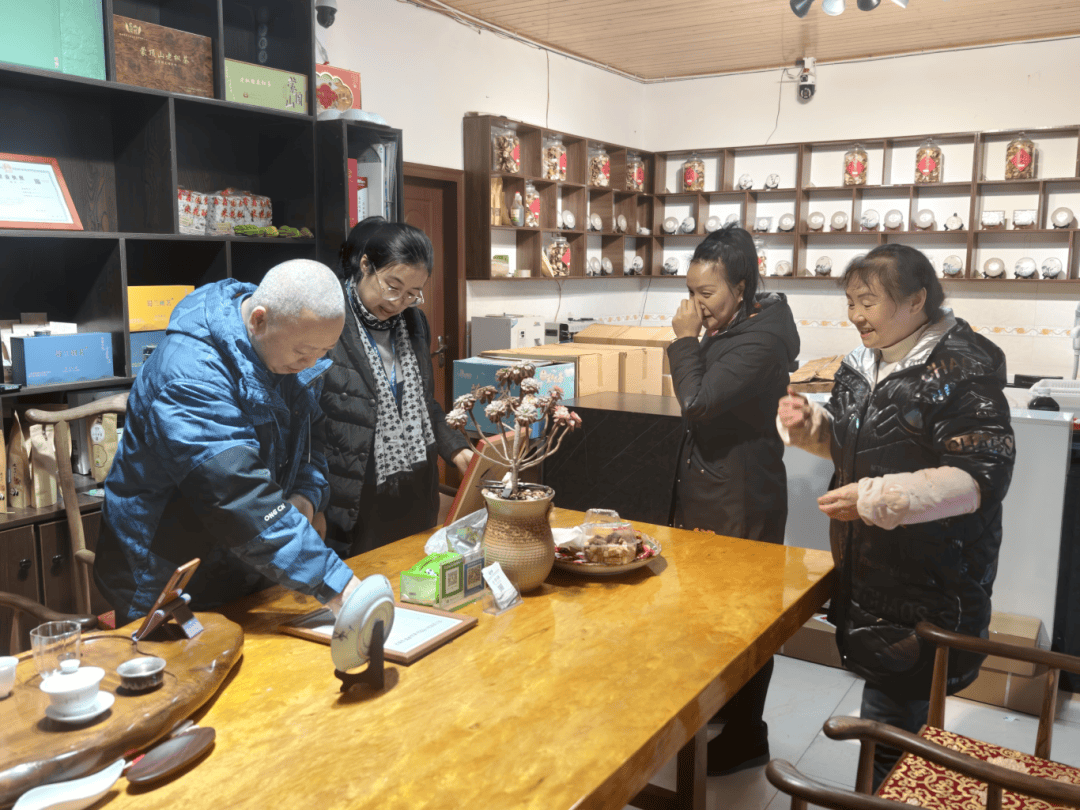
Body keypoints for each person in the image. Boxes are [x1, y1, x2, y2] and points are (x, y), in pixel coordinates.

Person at [777, 244, 1015, 789]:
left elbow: (980, 477)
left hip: (931, 584)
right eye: (850, 302)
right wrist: (811, 426)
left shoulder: (962, 367)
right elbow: (856, 444)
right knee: (893, 725)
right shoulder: (864, 362)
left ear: (916, 300)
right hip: (874, 574)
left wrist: (876, 498)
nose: (855, 315)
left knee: (888, 731)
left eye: (868, 302)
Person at [95, 260, 362, 626]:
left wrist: (305, 494)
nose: (311, 362)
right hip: (166, 574)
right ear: (259, 320)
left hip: (244, 557)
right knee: (181, 661)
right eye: (304, 352)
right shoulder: (190, 376)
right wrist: (336, 584)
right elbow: (239, 497)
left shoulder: (283, 346)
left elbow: (312, 437)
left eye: (324, 351)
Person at [666, 225, 801, 775]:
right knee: (711, 612)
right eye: (690, 291)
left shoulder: (760, 339)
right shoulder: (736, 325)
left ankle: (748, 734)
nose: (695, 305)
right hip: (719, 487)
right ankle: (726, 709)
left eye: (706, 293)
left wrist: (683, 342)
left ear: (740, 288)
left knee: (742, 615)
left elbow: (697, 402)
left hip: (741, 496)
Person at [319, 217, 473, 557]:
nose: (398, 302)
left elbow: (423, 402)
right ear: (365, 266)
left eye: (412, 294)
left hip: (416, 490)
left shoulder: (414, 322)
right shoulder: (329, 321)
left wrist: (456, 449)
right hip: (355, 493)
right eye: (392, 286)